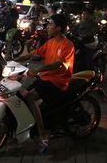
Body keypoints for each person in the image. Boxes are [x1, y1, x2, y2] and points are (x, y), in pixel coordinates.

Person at [16, 14, 74, 152]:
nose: (48, 27)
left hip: (57, 81)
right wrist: (16, 59)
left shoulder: (67, 45)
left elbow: (59, 64)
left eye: (51, 25)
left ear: (58, 28)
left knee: (29, 96)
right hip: (45, 78)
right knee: (21, 94)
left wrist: (38, 70)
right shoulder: (51, 42)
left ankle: (43, 134)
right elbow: (35, 53)